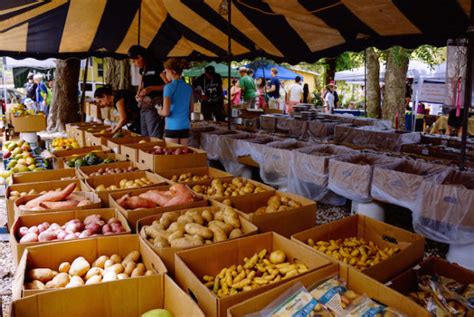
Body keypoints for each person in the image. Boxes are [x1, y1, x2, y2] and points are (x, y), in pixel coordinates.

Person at [128, 45, 169, 138]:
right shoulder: (142, 69)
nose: (134, 63)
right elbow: (141, 85)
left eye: (134, 61)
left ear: (140, 57)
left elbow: (168, 86)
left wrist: (151, 88)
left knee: (154, 135)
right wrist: (138, 94)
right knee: (144, 135)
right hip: (144, 106)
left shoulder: (157, 66)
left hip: (155, 106)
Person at [159, 58, 193, 146]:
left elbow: (166, 112)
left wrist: (159, 111)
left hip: (172, 126)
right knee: (183, 155)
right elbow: (191, 109)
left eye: (166, 71)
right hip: (185, 126)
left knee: (172, 156)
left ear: (172, 71)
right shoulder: (188, 87)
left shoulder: (168, 87)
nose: (165, 74)